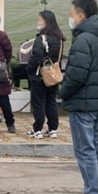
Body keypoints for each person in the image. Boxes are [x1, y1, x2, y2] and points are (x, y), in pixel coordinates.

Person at [59, 0, 98, 194]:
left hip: (83, 103)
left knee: (86, 150)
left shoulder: (83, 40)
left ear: (81, 15)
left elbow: (76, 74)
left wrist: (63, 93)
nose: (70, 18)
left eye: (72, 13)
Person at [25, 10, 65, 139]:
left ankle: (37, 129)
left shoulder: (40, 38)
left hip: (39, 76)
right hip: (53, 76)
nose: (38, 22)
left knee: (38, 103)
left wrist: (29, 69)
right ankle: (53, 128)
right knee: (51, 102)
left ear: (46, 22)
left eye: (40, 20)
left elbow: (36, 57)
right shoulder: (60, 39)